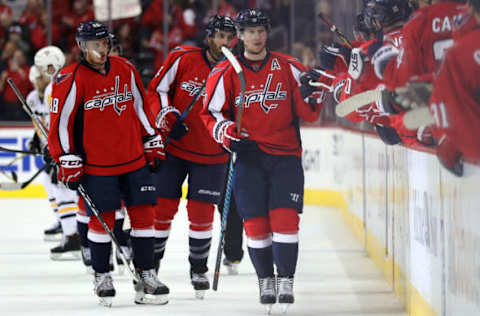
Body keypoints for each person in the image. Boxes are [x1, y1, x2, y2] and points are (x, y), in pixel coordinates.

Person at [201, 8, 322, 310]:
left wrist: (313, 93)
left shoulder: (289, 67)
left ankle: (286, 280)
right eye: (250, 31)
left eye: (261, 30)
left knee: (285, 221)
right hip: (248, 158)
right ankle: (265, 280)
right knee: (255, 225)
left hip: (285, 157)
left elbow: (309, 114)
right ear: (239, 36)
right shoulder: (225, 71)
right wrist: (226, 132)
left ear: (267, 33)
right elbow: (211, 113)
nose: (256, 36)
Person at [48, 21, 168, 307]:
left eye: (104, 43)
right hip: (97, 166)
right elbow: (61, 124)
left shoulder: (125, 68)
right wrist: (66, 156)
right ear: (81, 47)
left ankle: (147, 273)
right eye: (94, 45)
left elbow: (140, 107)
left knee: (144, 217)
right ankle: (102, 275)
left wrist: (151, 138)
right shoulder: (70, 78)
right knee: (101, 221)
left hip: (133, 159)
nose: (101, 50)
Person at [146, 14, 236, 299]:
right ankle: (152, 267)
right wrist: (167, 116)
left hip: (212, 153)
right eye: (219, 36)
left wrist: (235, 134)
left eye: (228, 38)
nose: (224, 43)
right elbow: (157, 89)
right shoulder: (182, 57)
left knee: (201, 214)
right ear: (208, 36)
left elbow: (241, 109)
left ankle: (198, 268)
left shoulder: (235, 70)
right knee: (161, 210)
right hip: (174, 148)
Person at [27, 46, 81, 260]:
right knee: (59, 188)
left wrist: (55, 148)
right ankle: (74, 234)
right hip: (66, 145)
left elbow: (59, 122)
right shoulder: (65, 80)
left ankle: (74, 237)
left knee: (63, 189)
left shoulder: (56, 87)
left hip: (65, 147)